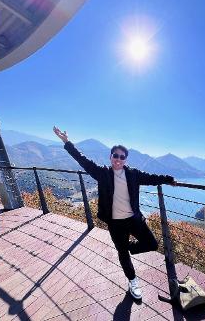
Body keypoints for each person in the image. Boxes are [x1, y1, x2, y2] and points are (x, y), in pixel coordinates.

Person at [53, 126, 175, 300]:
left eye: (122, 157)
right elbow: (83, 160)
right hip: (115, 223)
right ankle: (133, 281)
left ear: (125, 159)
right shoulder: (102, 173)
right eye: (115, 156)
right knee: (122, 254)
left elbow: (151, 178)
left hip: (134, 220)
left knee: (151, 244)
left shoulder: (133, 174)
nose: (118, 159)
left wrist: (168, 179)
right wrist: (66, 141)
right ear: (110, 157)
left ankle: (127, 247)